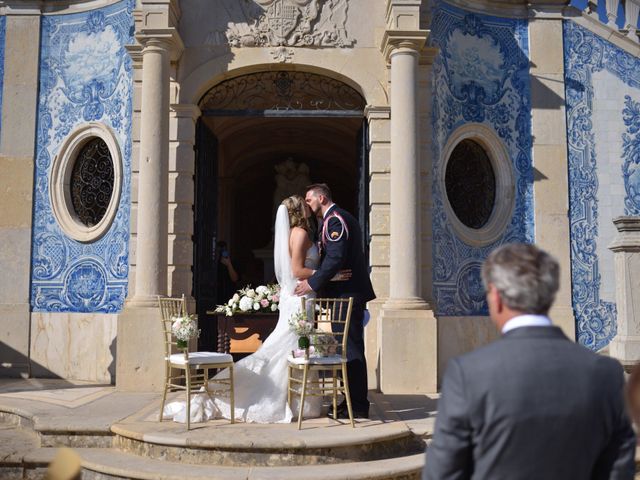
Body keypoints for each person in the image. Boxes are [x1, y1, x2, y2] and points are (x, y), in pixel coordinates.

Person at [423, 243, 636, 480]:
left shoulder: (467, 374)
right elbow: (617, 471)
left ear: (496, 297)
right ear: (550, 293)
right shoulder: (607, 374)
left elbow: (443, 473)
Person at [163, 195, 322, 423]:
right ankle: (291, 399)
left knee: (289, 345)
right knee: (289, 345)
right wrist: (325, 274)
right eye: (304, 204)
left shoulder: (294, 233)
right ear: (298, 211)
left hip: (296, 296)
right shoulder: (301, 233)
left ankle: (299, 398)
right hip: (300, 297)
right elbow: (297, 270)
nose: (308, 207)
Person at [295, 183, 376, 419]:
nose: (308, 205)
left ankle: (358, 405)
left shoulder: (335, 220)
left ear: (321, 198)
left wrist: (311, 283)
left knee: (350, 348)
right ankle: (349, 401)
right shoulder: (330, 220)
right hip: (342, 292)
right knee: (346, 348)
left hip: (347, 293)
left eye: (309, 200)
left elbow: (336, 257)